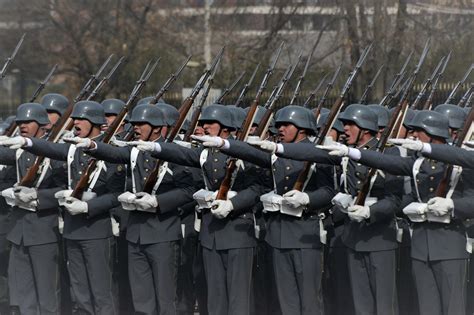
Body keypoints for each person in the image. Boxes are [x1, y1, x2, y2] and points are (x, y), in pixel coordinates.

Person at [324, 110, 473, 315]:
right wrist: (351, 152)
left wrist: (452, 206)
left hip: (449, 245)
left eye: (417, 131)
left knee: (452, 308)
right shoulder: (418, 163)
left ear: (431, 133)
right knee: (427, 308)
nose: (412, 135)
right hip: (422, 245)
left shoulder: (461, 164)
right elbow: (387, 162)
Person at [132, 104, 263, 315]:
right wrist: (156, 147)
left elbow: (257, 187)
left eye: (210, 123)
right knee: (215, 298)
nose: (204, 127)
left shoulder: (245, 152)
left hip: (238, 232)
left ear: (226, 128)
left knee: (238, 300)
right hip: (210, 234)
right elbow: (181, 154)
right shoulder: (204, 154)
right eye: (203, 123)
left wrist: (233, 202)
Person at [1, 101, 125, 315]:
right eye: (74, 118)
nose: (75, 122)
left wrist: (88, 205)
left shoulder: (110, 153)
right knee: (81, 295)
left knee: (101, 294)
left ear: (95, 122)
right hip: (72, 229)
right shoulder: (71, 150)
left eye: (81, 119)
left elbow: (116, 194)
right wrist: (24, 142)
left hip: (96, 229)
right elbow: (48, 148)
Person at [0, 103, 62, 315]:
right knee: (22, 297)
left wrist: (38, 197)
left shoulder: (55, 151)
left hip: (43, 231)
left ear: (43, 126)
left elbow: (67, 190)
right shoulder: (20, 152)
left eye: (28, 122)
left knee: (46, 298)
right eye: (20, 122)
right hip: (19, 233)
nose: (22, 126)